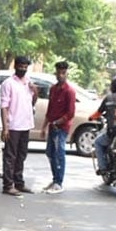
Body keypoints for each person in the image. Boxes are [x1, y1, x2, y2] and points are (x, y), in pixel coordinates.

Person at [0, 55, 37, 195]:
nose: (23, 68)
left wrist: (35, 91)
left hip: (26, 125)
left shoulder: (28, 82)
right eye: (20, 66)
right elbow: (4, 107)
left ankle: (19, 183)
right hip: (13, 125)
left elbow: (32, 102)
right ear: (15, 66)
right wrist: (5, 128)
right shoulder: (8, 83)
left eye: (25, 66)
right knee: (10, 156)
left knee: (22, 155)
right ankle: (8, 185)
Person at [41, 60, 75, 193]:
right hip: (52, 126)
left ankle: (59, 182)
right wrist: (44, 127)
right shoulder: (53, 89)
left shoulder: (69, 91)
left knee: (59, 153)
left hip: (61, 128)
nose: (61, 75)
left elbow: (70, 113)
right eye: (59, 72)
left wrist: (58, 122)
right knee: (50, 153)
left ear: (66, 74)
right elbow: (50, 110)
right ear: (55, 73)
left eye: (63, 73)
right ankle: (55, 178)